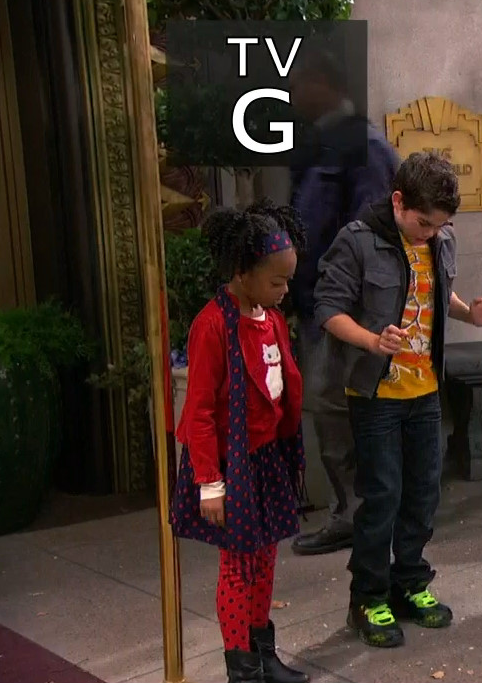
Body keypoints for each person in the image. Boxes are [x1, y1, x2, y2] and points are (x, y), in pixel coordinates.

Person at [314, 152, 482, 648]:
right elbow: (328, 309)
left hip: (425, 390)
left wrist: (471, 314)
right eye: (423, 223)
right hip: (376, 393)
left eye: (440, 226)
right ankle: (367, 597)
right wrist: (371, 340)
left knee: (423, 493)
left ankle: (410, 581)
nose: (430, 234)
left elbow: (437, 294)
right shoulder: (358, 241)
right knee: (382, 495)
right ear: (398, 201)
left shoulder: (439, 240)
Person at [169, 201, 311, 683]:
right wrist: (210, 483)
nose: (285, 290)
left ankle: (262, 651)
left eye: (288, 281)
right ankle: (242, 666)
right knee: (237, 565)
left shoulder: (271, 318)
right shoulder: (211, 325)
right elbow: (200, 411)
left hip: (266, 456)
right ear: (242, 273)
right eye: (277, 281)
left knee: (265, 558)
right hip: (231, 465)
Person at [288, 46, 401, 556]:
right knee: (331, 408)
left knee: (341, 407)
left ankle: (361, 515)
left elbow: (369, 230)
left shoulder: (363, 145)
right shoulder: (325, 142)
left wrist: (344, 301)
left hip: (344, 308)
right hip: (319, 302)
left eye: (300, 83)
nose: (294, 95)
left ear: (324, 84)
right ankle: (355, 512)